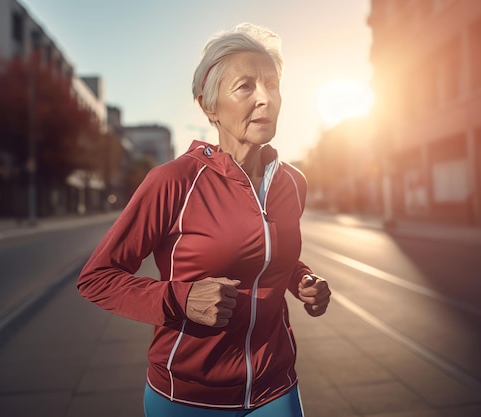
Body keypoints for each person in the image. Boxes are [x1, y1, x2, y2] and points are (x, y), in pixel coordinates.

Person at [77, 22, 331, 417]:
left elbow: (270, 256)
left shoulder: (292, 182)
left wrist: (302, 280)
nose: (266, 99)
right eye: (245, 86)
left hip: (276, 387)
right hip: (187, 398)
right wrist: (180, 299)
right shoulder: (173, 180)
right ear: (207, 106)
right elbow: (97, 278)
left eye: (272, 85)